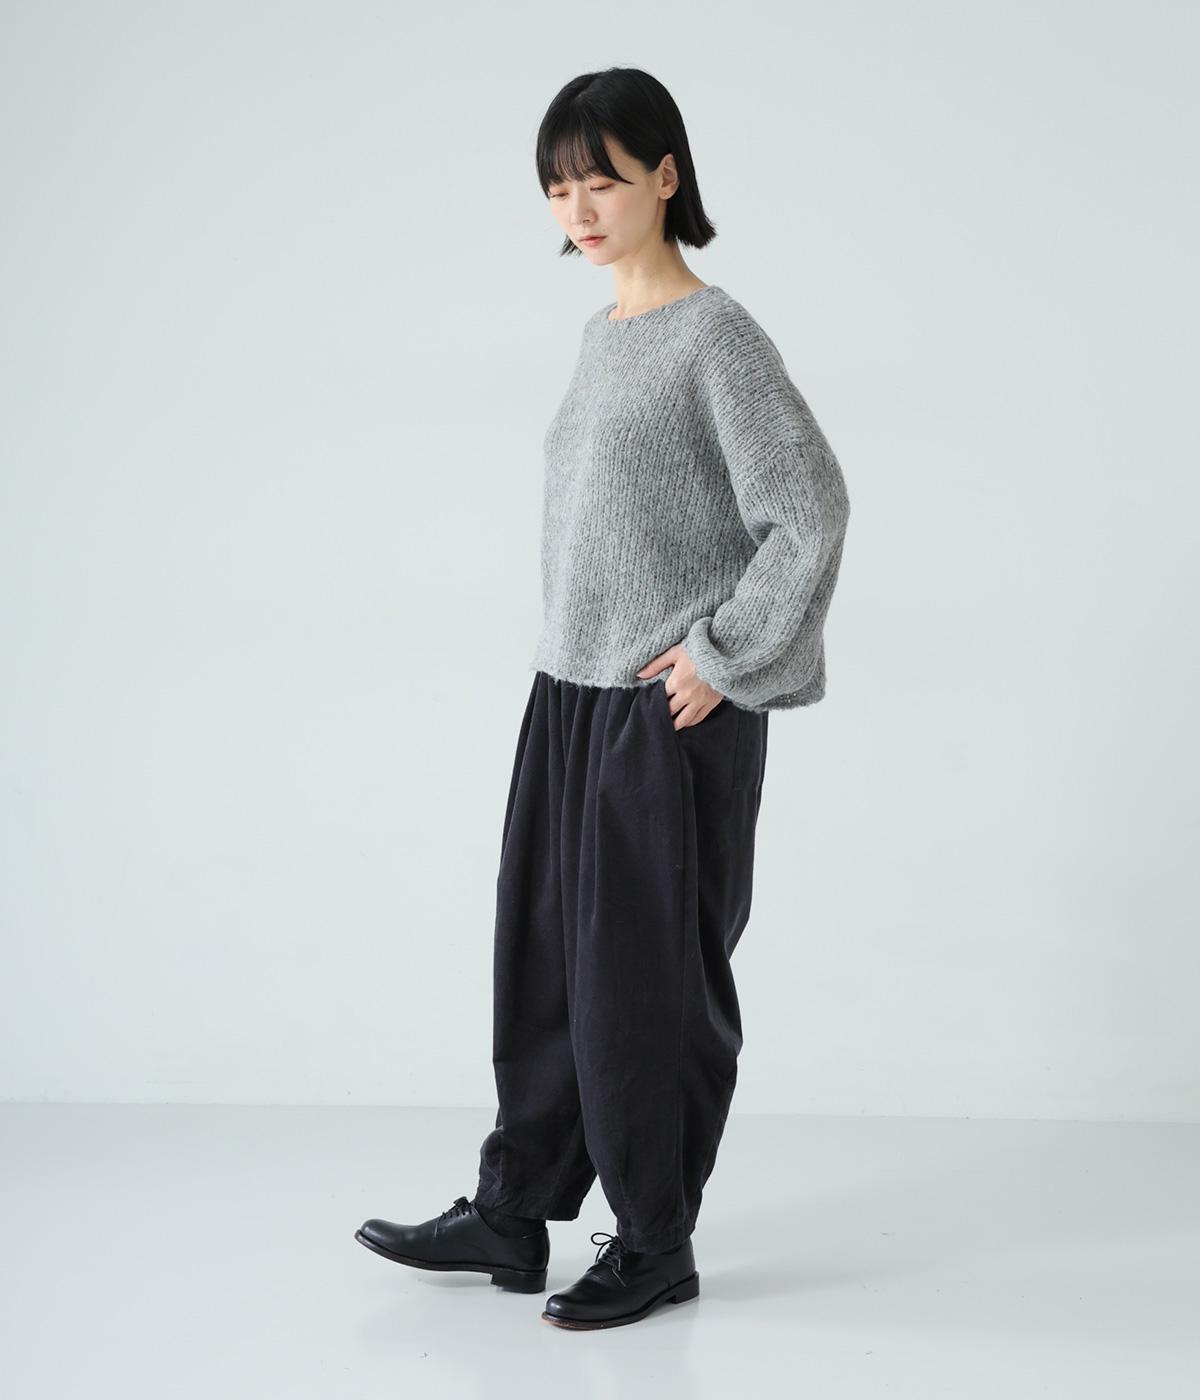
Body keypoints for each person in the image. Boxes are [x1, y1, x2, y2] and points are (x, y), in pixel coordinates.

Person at [356, 65, 851, 1331]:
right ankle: (514, 1208)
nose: (579, 207)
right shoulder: (603, 335)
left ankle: (653, 1238)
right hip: (571, 691)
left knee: (645, 985)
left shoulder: (716, 337)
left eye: (604, 180)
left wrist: (721, 658)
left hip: (662, 714)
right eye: (559, 186)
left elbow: (809, 507)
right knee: (544, 965)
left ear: (666, 176)